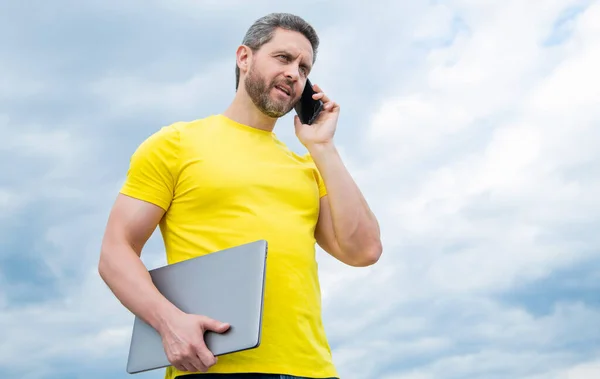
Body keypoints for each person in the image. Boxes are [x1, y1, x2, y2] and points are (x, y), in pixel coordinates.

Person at [98, 12, 382, 379]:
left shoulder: (307, 166)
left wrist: (323, 147)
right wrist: (168, 322)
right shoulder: (177, 143)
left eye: (304, 67)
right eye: (283, 58)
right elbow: (114, 251)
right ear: (244, 58)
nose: (295, 73)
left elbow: (364, 251)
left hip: (312, 370)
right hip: (214, 366)